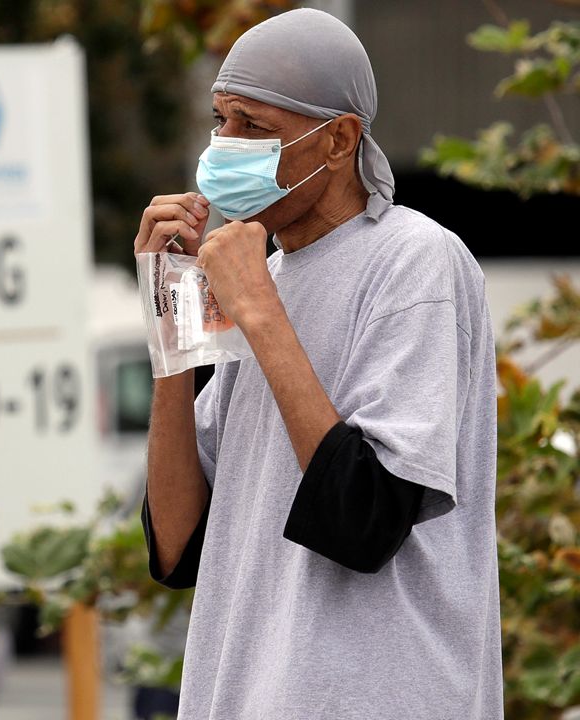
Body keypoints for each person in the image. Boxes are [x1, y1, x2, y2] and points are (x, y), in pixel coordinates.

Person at [134, 8, 503, 719]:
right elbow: (177, 547)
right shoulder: (267, 274)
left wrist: (261, 312)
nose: (223, 146)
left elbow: (363, 521)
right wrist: (172, 319)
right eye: (220, 120)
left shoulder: (417, 261)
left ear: (338, 139)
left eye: (254, 126)